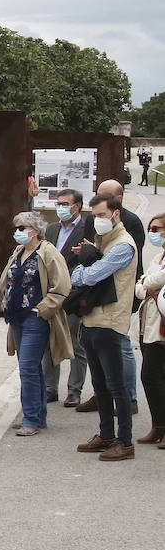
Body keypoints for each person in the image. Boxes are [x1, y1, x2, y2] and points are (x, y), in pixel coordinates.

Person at [70, 193, 139, 460]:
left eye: (101, 215)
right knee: (99, 384)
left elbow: (88, 276)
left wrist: (84, 262)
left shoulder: (122, 245)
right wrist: (89, 258)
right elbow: (87, 272)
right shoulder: (104, 241)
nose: (97, 220)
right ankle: (106, 434)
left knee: (116, 385)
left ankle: (125, 441)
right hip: (93, 319)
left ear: (116, 214)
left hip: (110, 321)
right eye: (95, 216)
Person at [0, 212, 72, 436]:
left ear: (36, 230)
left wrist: (42, 309)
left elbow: (62, 286)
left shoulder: (48, 252)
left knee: (28, 367)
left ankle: (30, 417)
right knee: (31, 368)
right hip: (17, 318)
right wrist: (6, 301)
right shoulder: (19, 251)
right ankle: (37, 415)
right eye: (17, 227)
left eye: (23, 227)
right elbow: (10, 280)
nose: (18, 231)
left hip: (35, 318)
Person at [78, 179, 144, 414]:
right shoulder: (93, 220)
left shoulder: (131, 224)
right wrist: (89, 260)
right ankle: (100, 394)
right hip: (96, 295)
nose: (98, 215)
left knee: (122, 346)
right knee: (97, 352)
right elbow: (89, 253)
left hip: (120, 292)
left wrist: (90, 263)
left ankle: (130, 398)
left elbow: (106, 263)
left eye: (105, 197)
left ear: (119, 201)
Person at [42, 189, 92, 406]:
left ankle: (74, 390)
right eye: (58, 203)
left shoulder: (86, 229)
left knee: (75, 343)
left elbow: (90, 261)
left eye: (65, 204)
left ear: (77, 206)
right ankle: (50, 388)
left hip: (73, 295)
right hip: (50, 294)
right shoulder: (51, 229)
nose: (60, 207)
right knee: (48, 342)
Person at [133, 212, 165, 446]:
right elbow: (142, 284)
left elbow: (151, 282)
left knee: (152, 376)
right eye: (151, 229)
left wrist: (147, 283)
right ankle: (158, 426)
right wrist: (147, 283)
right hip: (149, 325)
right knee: (152, 377)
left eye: (157, 229)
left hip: (161, 327)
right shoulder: (158, 257)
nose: (152, 233)